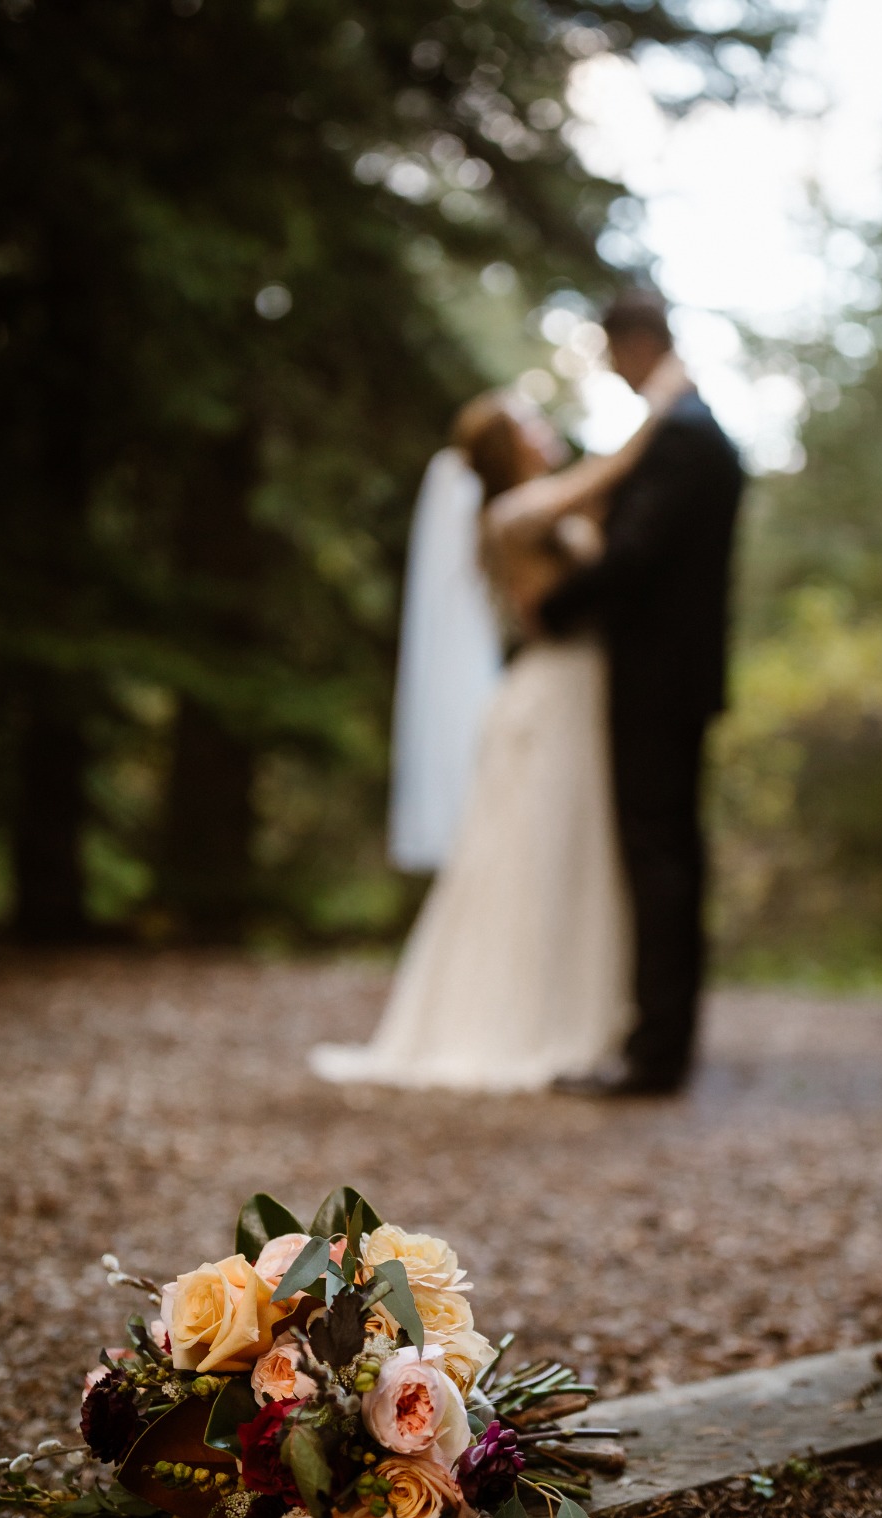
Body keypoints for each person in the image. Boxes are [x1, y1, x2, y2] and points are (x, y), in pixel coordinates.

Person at [309, 377, 683, 1092]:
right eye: (528, 424)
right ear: (506, 451)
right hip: (553, 696)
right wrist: (661, 415)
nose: (544, 430)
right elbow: (609, 475)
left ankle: (580, 1010)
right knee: (535, 856)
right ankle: (526, 1019)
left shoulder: (538, 509)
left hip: (580, 692)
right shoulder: (515, 513)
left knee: (565, 856)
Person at [531, 291, 744, 1097]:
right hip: (680, 678)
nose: (613, 370)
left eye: (613, 351)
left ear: (637, 341)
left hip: (659, 680)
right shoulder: (693, 430)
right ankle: (664, 1038)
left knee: (657, 856)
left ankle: (658, 1052)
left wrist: (551, 611)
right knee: (671, 853)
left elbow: (632, 559)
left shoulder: (682, 436)